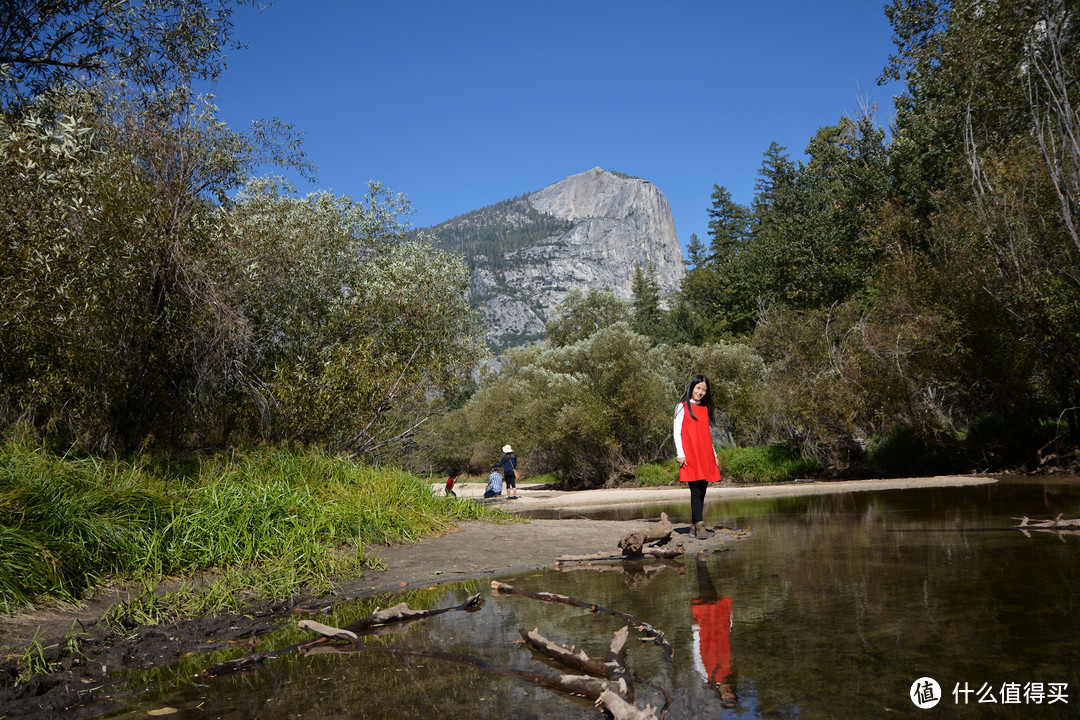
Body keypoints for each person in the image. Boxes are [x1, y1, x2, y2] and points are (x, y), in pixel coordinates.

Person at [673, 374, 722, 538]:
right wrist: (680, 453)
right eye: (698, 388)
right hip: (690, 454)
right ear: (692, 387)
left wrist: (714, 454)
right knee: (695, 490)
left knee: (702, 490)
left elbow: (706, 434)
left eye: (704, 390)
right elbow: (677, 432)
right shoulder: (682, 406)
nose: (700, 392)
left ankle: (695, 526)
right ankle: (699, 526)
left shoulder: (704, 408)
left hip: (705, 453)